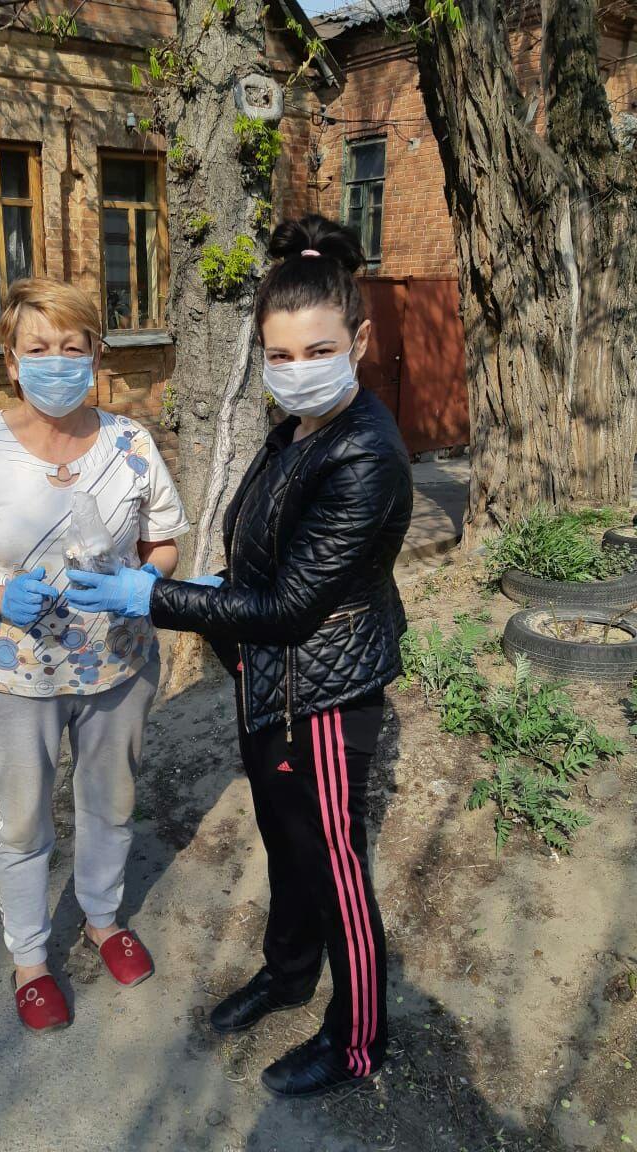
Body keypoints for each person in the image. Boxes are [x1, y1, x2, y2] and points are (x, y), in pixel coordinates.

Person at [65, 215, 413, 1096]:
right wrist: (200, 589)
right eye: (280, 354)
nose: (298, 370)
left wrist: (156, 599)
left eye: (319, 351)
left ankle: (360, 1038)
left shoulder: (365, 453)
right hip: (270, 681)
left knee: (334, 866)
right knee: (287, 843)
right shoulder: (295, 428)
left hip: (323, 692)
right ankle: (289, 975)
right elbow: (263, 557)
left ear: (359, 341)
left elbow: (293, 609)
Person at [0, 278, 189, 1032]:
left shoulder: (131, 443)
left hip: (120, 666)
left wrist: (145, 581)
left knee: (111, 804)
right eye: (38, 348)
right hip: (18, 676)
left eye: (72, 348)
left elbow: (163, 543)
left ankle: (103, 919)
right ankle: (30, 959)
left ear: (95, 356)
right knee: (20, 823)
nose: (57, 362)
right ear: (12, 361)